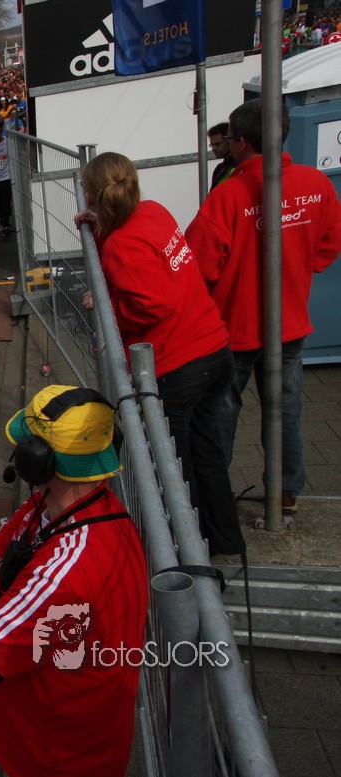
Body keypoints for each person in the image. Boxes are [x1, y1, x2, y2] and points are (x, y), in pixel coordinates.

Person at [0, 385, 148, 777]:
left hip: (55, 759)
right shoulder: (65, 503)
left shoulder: (66, 576)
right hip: (48, 737)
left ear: (37, 463)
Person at [77, 152, 244, 556]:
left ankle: (191, 559)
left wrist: (108, 309)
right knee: (206, 453)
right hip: (215, 350)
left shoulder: (121, 244)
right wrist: (100, 229)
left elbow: (155, 303)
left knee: (175, 470)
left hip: (180, 365)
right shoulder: (153, 211)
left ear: (93, 195)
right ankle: (225, 540)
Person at [185, 99, 341, 516]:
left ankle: (215, 496)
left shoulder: (229, 194)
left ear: (241, 142)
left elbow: (199, 265)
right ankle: (286, 491)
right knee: (285, 409)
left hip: (235, 328)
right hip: (290, 321)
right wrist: (297, 270)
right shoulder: (316, 184)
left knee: (220, 412)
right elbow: (329, 243)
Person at [207, 121, 236, 190]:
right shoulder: (219, 168)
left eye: (217, 144)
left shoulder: (239, 165)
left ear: (229, 141)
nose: (213, 148)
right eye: (212, 145)